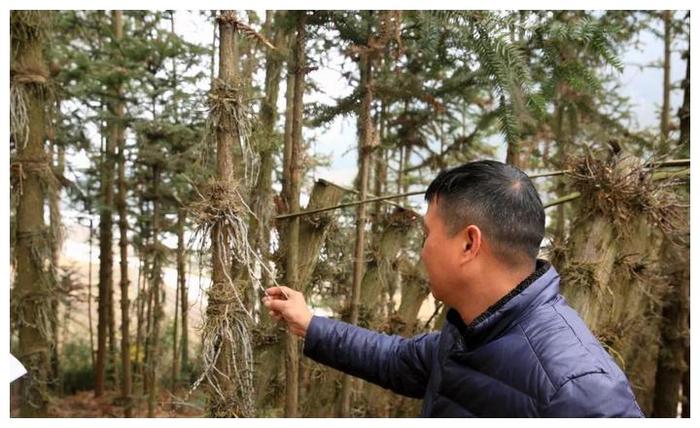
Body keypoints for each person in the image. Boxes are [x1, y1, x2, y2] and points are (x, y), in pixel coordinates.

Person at [263, 160, 644, 417]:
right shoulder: (470, 330)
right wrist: (310, 323)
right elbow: (398, 360)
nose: (422, 251)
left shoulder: (582, 392)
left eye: (428, 235)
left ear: (468, 244)